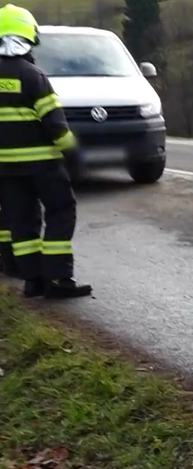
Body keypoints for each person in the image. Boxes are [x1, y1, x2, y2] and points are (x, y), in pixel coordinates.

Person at [0, 4, 91, 299]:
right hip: (43, 165)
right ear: (28, 36)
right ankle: (58, 279)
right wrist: (74, 153)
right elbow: (55, 124)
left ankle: (33, 280)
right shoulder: (32, 75)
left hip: (6, 170)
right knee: (61, 211)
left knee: (21, 221)